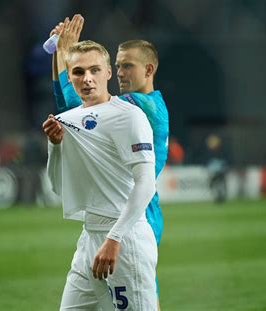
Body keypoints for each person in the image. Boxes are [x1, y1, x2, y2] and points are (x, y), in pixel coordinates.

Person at [50, 15, 168, 308]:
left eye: (127, 65)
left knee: (141, 295)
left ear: (149, 69)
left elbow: (80, 106)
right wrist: (61, 56)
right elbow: (76, 110)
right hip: (104, 215)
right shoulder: (127, 105)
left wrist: (65, 55)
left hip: (136, 211)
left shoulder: (143, 107)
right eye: (117, 65)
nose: (120, 72)